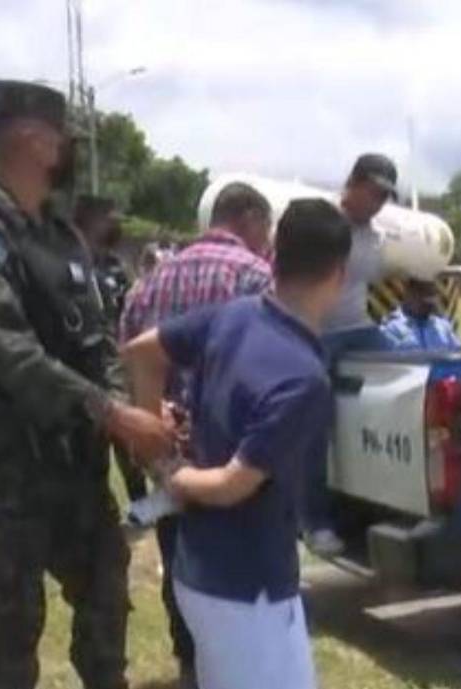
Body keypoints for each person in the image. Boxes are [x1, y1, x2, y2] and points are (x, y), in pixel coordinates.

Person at [0, 79, 173, 689]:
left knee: (107, 594)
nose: (71, 153)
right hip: (2, 471)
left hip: (73, 462)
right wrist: (114, 415)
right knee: (11, 630)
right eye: (65, 140)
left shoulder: (61, 237)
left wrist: (138, 414)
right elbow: (7, 351)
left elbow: (97, 344)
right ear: (35, 140)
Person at [122, 198, 352, 689]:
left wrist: (151, 432)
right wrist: (170, 468)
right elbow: (231, 486)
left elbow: (141, 352)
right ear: (339, 273)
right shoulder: (303, 378)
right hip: (247, 588)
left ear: (275, 252)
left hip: (200, 568)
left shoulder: (233, 316)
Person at [119, 180, 274, 689]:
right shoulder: (259, 279)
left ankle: (190, 665)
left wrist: (153, 428)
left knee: (176, 558)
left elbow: (129, 358)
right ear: (251, 219)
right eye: (267, 229)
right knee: (237, 568)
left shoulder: (149, 282)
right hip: (230, 454)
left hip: (167, 453)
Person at [301, 153, 400, 556]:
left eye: (384, 197)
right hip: (316, 332)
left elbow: (370, 279)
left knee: (406, 374)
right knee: (314, 417)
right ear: (355, 183)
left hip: (358, 330)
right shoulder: (321, 222)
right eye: (375, 193)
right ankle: (314, 521)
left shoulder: (373, 235)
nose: (378, 203)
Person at [75, 195, 149, 502]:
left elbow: (133, 308)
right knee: (90, 444)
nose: (116, 224)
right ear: (90, 221)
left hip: (117, 361)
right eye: (109, 218)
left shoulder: (115, 266)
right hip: (82, 365)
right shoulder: (70, 262)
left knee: (127, 441)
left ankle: (140, 502)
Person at [380, 278, 461, 352]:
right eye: (423, 295)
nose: (429, 302)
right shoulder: (391, 328)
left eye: (431, 296)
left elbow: (460, 358)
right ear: (410, 294)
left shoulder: (444, 328)